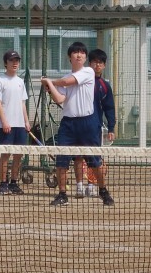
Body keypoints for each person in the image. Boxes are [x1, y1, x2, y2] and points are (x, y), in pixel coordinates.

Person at [41, 42, 114, 207]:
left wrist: (50, 81)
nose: (79, 55)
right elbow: (60, 99)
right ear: (70, 57)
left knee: (95, 161)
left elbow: (67, 82)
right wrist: (50, 88)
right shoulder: (65, 78)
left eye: (82, 52)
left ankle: (103, 190)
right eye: (75, 52)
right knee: (61, 161)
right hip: (68, 125)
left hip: (88, 123)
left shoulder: (88, 72)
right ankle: (62, 194)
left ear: (85, 57)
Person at [79, 48, 116, 198]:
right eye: (95, 62)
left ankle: (91, 186)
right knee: (78, 156)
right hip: (78, 126)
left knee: (94, 157)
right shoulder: (80, 81)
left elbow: (109, 108)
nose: (97, 65)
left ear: (104, 65)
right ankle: (79, 187)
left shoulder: (105, 86)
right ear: (89, 64)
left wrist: (111, 128)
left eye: (100, 62)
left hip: (95, 127)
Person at [0, 49, 31, 195]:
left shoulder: (21, 82)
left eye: (17, 60)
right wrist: (4, 122)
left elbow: (22, 103)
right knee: (6, 154)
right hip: (6, 125)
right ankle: (3, 184)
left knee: (18, 155)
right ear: (5, 63)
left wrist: (26, 122)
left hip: (20, 125)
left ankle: (14, 183)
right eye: (11, 60)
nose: (15, 63)